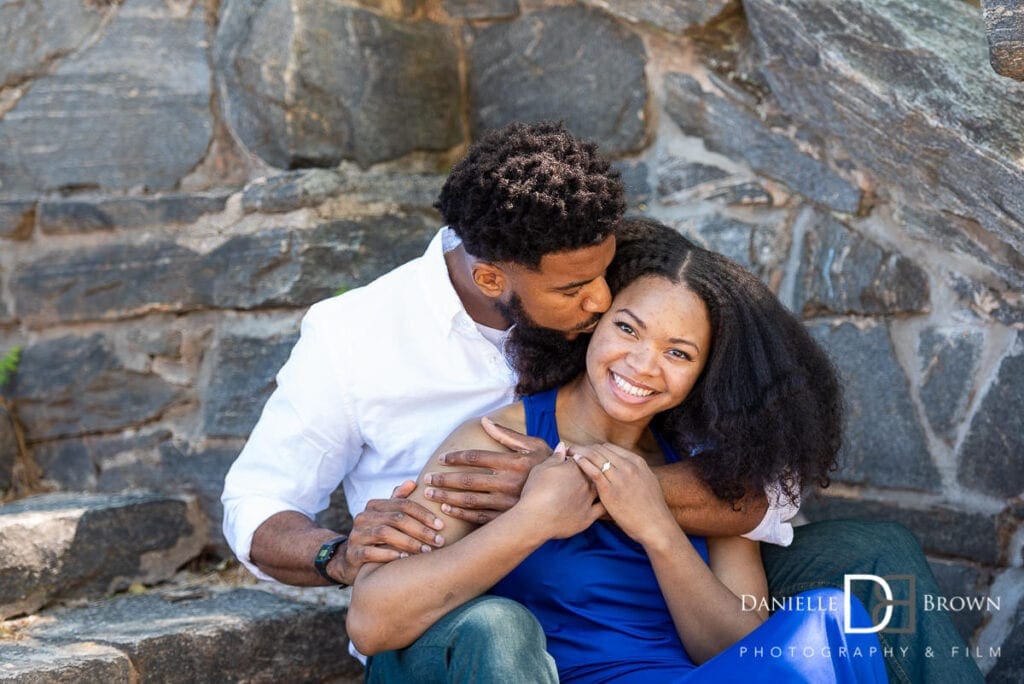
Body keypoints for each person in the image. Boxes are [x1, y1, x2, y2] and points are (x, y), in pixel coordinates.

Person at [221, 123, 982, 683]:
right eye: (587, 300)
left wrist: (605, 489)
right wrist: (336, 554)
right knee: (499, 628)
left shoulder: (625, 294)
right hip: (463, 618)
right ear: (495, 279)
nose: (600, 300)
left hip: (644, 587)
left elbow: (755, 493)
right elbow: (262, 503)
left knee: (871, 559)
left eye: (675, 351)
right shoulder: (359, 338)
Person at [347, 221, 887, 682]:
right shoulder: (495, 447)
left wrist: (656, 526)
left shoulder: (706, 471)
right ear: (592, 324)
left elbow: (740, 651)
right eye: (628, 328)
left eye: (678, 352)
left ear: (705, 373)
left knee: (831, 617)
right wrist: (535, 518)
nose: (643, 365)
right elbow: (371, 622)